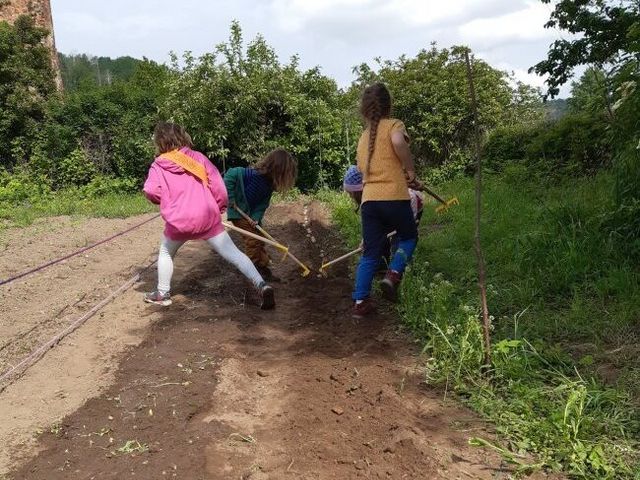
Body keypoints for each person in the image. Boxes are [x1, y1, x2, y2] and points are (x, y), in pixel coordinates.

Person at [143, 122, 275, 309]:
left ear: (160, 141)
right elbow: (219, 187)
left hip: (178, 222)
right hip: (207, 219)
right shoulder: (198, 158)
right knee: (235, 254)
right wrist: (220, 207)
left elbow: (150, 191)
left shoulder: (159, 165)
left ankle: (163, 293)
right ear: (183, 136)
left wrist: (163, 199)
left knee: (166, 251)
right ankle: (262, 285)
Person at [352, 83, 424, 318]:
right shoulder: (395, 125)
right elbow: (397, 142)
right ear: (388, 105)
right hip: (394, 197)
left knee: (370, 253)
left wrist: (398, 173)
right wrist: (410, 171)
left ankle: (360, 302)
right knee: (409, 237)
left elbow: (365, 170)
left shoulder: (363, 138)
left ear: (365, 109)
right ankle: (393, 274)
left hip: (369, 201)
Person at [224, 149, 298, 282]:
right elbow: (230, 175)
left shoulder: (269, 186)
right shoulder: (251, 175)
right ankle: (251, 270)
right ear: (277, 170)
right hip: (238, 212)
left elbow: (262, 205)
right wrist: (231, 198)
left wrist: (256, 217)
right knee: (252, 240)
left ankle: (262, 267)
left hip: (250, 215)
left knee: (260, 239)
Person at [343, 165, 425, 272]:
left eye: (351, 194)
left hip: (410, 207)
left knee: (399, 243)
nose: (350, 197)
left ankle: (402, 272)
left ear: (360, 192)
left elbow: (411, 199)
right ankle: (381, 265)